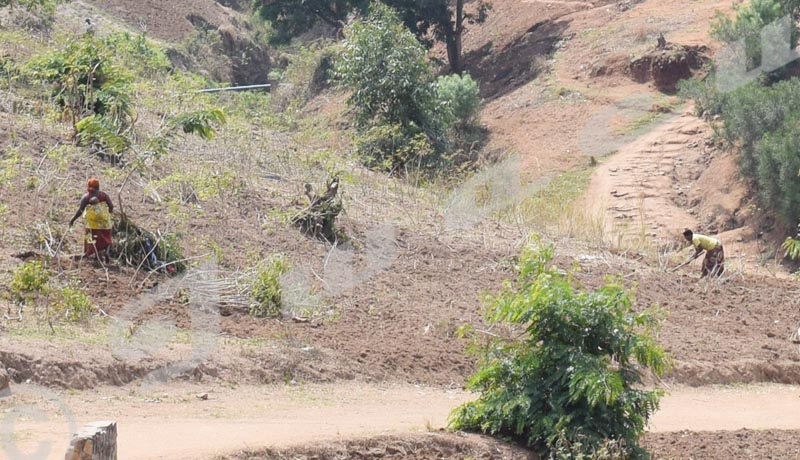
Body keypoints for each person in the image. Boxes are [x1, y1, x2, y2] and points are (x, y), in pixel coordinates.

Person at [69, 178, 114, 262]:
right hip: (105, 222)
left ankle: (91, 255)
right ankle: (106, 252)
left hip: (92, 224)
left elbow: (80, 211)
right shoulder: (104, 195)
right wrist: (108, 214)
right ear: (98, 186)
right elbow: (111, 206)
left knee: (92, 238)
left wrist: (73, 220)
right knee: (107, 238)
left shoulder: (86, 197)